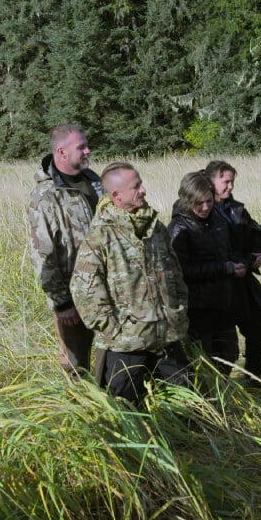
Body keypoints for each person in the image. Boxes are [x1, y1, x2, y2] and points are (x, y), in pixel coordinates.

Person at [71, 162, 192, 403]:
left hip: (166, 334)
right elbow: (84, 290)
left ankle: (183, 440)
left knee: (188, 400)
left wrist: (178, 310)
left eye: (141, 183)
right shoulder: (101, 235)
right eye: (136, 186)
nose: (144, 190)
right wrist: (115, 330)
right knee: (125, 407)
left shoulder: (155, 227)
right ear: (116, 195)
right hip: (126, 343)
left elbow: (175, 273)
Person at [27, 124, 102, 375]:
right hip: (74, 298)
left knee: (111, 361)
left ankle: (117, 410)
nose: (87, 151)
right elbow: (43, 255)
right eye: (81, 147)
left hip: (108, 290)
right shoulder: (46, 195)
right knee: (76, 366)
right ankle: (83, 412)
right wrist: (62, 303)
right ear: (61, 152)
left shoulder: (95, 182)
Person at [168, 171, 245, 374]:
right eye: (199, 203)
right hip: (196, 307)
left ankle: (225, 394)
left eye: (209, 202)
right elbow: (180, 271)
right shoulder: (179, 228)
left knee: (228, 353)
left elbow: (228, 249)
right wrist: (224, 268)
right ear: (187, 200)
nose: (205, 207)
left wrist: (241, 262)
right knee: (202, 359)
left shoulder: (218, 219)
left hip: (223, 301)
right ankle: (205, 401)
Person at [205, 160, 261, 381]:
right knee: (224, 346)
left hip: (242, 286)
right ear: (210, 180)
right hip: (216, 288)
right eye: (226, 181)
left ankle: (255, 377)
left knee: (259, 333)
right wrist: (242, 260)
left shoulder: (236, 209)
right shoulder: (200, 209)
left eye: (232, 181)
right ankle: (219, 388)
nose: (230, 186)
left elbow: (255, 234)